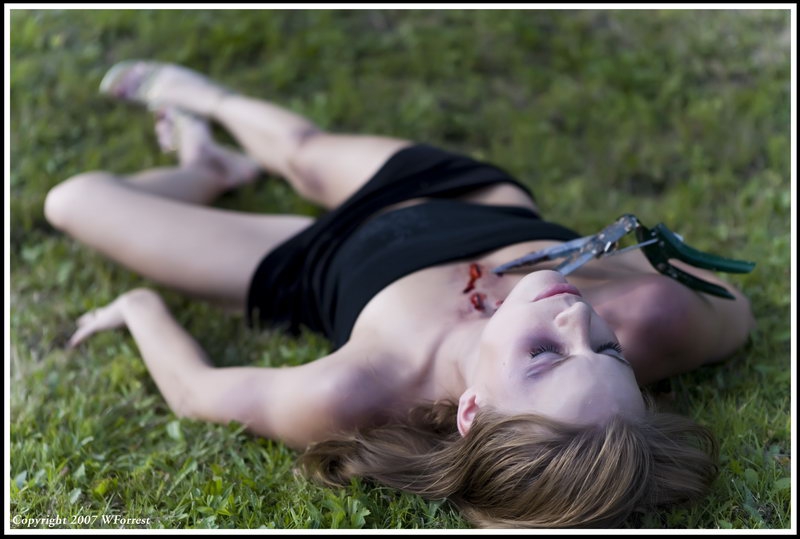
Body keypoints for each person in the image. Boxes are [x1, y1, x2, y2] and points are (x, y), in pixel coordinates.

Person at [43, 60, 756, 528]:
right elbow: (736, 306)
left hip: (315, 262)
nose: (574, 317)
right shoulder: (654, 319)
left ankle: (206, 169)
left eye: (545, 354)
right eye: (607, 350)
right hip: (455, 197)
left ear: (472, 410)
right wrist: (613, 271)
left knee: (72, 200)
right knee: (302, 151)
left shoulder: (356, 389)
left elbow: (196, 392)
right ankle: (209, 107)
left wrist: (138, 308)